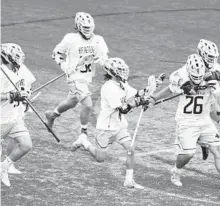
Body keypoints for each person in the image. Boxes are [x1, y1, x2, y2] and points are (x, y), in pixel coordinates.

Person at [144, 54, 220, 191]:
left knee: (217, 149)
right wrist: (153, 99)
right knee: (188, 154)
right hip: (186, 121)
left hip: (204, 120)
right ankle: (176, 170)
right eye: (194, 77)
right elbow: (169, 88)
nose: (197, 79)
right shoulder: (182, 78)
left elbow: (219, 97)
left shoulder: (211, 80)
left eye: (199, 77)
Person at [72, 57, 148, 189]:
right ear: (113, 72)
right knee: (100, 158)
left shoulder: (122, 84)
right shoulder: (109, 88)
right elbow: (124, 109)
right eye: (120, 70)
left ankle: (128, 180)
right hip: (105, 128)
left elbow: (137, 94)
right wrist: (137, 102)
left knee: (131, 149)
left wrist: (149, 90)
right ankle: (84, 141)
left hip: (119, 125)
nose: (124, 73)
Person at [45, 12, 109, 141]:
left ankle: (52, 115)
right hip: (75, 77)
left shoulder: (98, 40)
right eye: (84, 27)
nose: (87, 30)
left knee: (71, 102)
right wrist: (63, 65)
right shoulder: (71, 39)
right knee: (88, 104)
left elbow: (104, 57)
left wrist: (101, 59)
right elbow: (56, 53)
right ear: (78, 26)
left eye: (89, 27)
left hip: (86, 78)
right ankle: (83, 134)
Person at [0, 43, 34, 186]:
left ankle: (4, 167)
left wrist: (27, 95)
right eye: (16, 56)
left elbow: (28, 85)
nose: (19, 58)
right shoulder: (1, 73)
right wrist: (12, 95)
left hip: (14, 116)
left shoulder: (22, 69)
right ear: (7, 58)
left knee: (26, 145)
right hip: (1, 117)